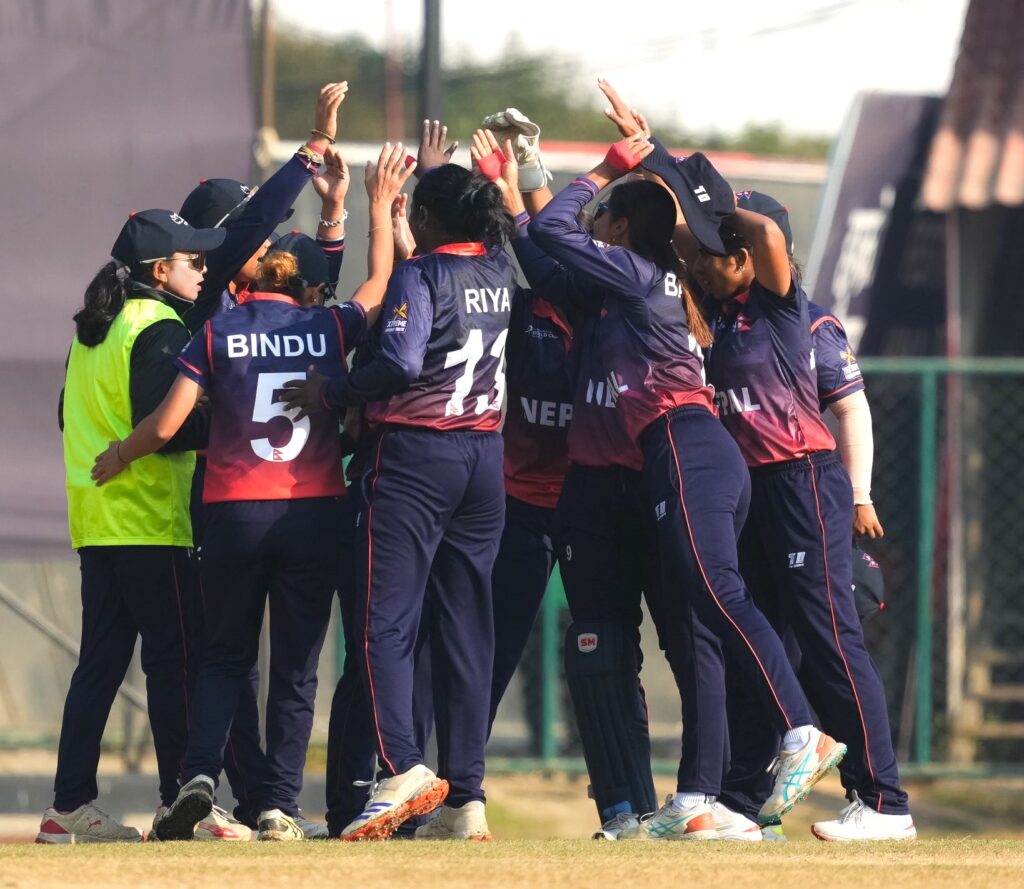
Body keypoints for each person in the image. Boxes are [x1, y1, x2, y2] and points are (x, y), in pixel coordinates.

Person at [528, 128, 846, 840]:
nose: (592, 224)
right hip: (692, 449)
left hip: (686, 444)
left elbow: (553, 228)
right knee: (705, 614)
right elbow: (548, 249)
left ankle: (802, 728)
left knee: (716, 590)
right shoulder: (647, 283)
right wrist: (525, 175)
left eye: (603, 216)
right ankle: (701, 797)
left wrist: (612, 164)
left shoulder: (642, 276)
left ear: (623, 230)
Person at [92, 144, 413, 842]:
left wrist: (120, 452)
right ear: (304, 285)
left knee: (223, 655)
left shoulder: (219, 328)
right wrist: (379, 211)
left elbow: (170, 422)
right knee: (296, 668)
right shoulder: (326, 326)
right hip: (311, 511)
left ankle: (201, 776)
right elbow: (380, 281)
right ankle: (277, 806)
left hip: (231, 512)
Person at [638, 146, 914, 840]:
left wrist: (861, 493)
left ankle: (884, 802)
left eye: (720, 249)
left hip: (801, 480)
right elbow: (677, 236)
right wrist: (655, 164)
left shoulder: (790, 308)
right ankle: (740, 797)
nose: (704, 260)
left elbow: (762, 237)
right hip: (746, 490)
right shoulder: (714, 308)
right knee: (760, 649)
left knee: (830, 639)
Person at [284, 160, 520, 842]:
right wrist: (396, 215)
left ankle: (402, 768)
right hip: (484, 459)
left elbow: (399, 362)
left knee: (383, 621)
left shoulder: (421, 275)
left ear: (431, 220)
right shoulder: (499, 267)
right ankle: (466, 796)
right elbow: (446, 281)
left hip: (418, 456)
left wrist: (331, 392)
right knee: (467, 626)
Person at [175, 82, 349, 838]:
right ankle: (259, 796)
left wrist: (335, 215)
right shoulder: (214, 294)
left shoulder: (230, 311)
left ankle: (225, 789)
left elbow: (320, 292)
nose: (271, 240)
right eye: (258, 231)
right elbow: (334, 306)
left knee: (231, 657)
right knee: (258, 663)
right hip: (283, 500)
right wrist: (310, 150)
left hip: (229, 501)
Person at [39, 210, 226, 844]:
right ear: (159, 270)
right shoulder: (160, 326)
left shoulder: (96, 327)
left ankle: (69, 808)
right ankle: (181, 801)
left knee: (99, 667)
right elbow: (166, 428)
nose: (202, 271)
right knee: (175, 662)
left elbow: (70, 418)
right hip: (150, 521)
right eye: (193, 261)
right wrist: (221, 417)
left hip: (98, 523)